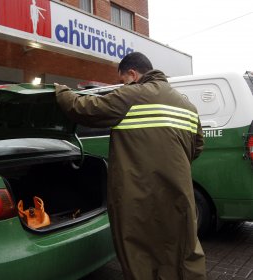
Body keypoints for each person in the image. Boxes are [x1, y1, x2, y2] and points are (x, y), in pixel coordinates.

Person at [54, 52, 206, 279]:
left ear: (133, 74)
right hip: (178, 193)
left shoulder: (132, 95)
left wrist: (61, 91)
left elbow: (84, 108)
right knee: (180, 248)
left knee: (139, 252)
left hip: (138, 195)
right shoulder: (188, 106)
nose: (121, 85)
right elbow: (197, 147)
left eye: (122, 80)